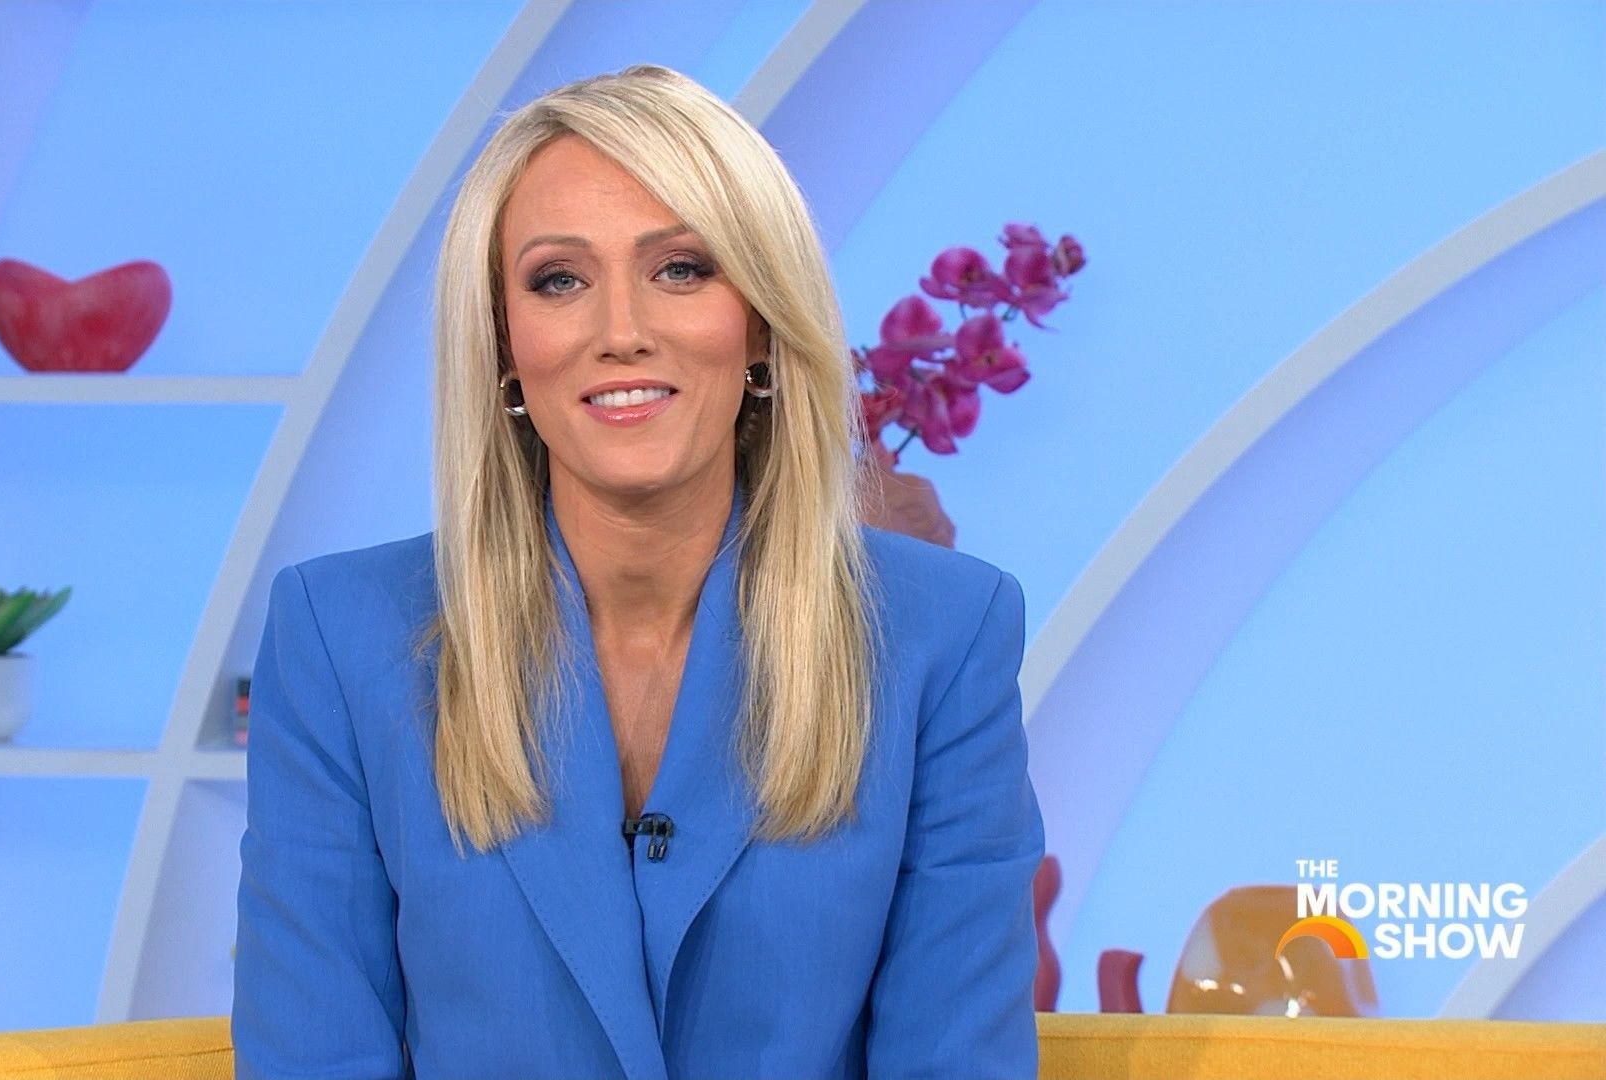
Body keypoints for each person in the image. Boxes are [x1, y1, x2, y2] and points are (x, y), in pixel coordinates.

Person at [232, 63, 1044, 1080]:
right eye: (558, 280)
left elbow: (953, 1056)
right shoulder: (339, 636)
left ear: (759, 323)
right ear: (502, 343)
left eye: (682, 269)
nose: (622, 332)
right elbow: (314, 1054)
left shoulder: (944, 637)